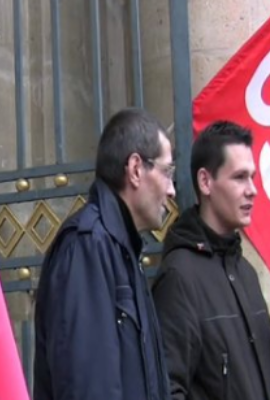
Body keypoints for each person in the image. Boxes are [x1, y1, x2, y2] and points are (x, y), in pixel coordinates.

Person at [152, 120, 270, 400]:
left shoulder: (245, 272)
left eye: (252, 177)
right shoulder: (180, 277)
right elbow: (166, 389)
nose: (252, 189)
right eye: (239, 177)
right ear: (206, 182)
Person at [33, 108, 175, 400]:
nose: (172, 190)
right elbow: (86, 387)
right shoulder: (87, 246)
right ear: (136, 169)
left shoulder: (121, 248)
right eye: (167, 172)